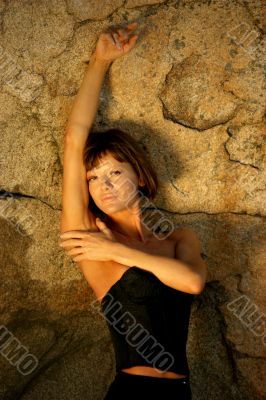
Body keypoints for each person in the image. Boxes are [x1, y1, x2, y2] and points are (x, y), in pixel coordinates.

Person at [59, 21, 208, 400]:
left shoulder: (179, 239)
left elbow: (192, 282)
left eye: (114, 173)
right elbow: (74, 138)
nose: (103, 186)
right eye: (93, 178)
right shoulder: (87, 236)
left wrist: (116, 251)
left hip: (182, 392)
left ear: (139, 175)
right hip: (131, 392)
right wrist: (100, 60)